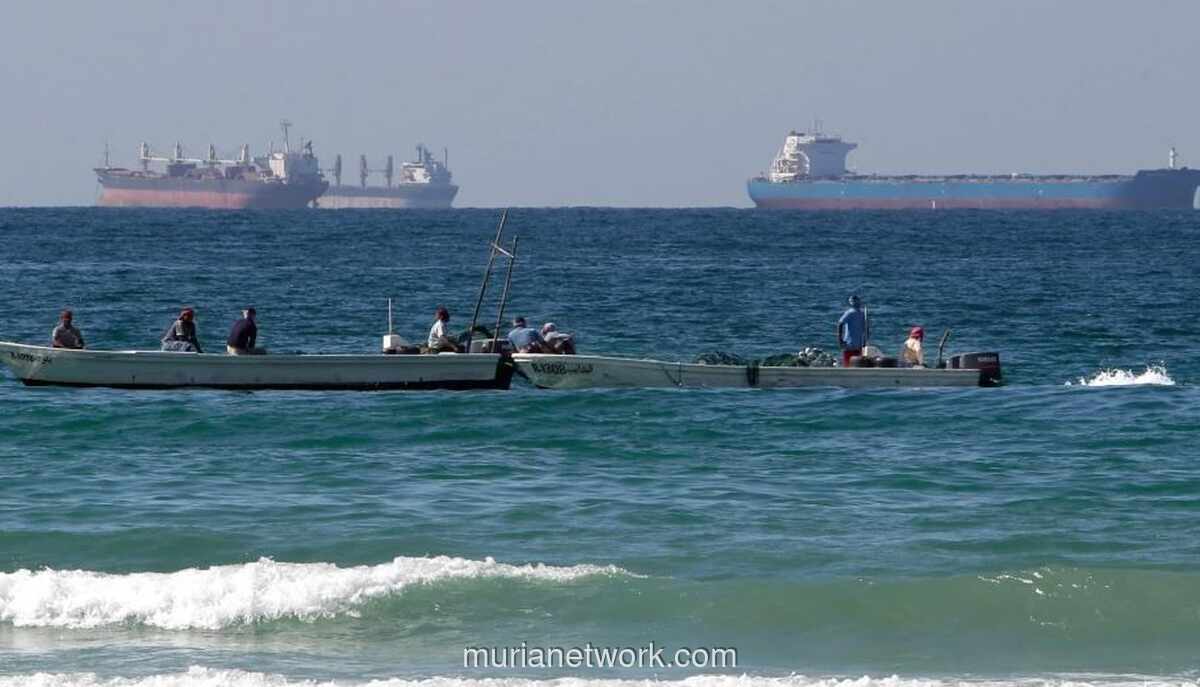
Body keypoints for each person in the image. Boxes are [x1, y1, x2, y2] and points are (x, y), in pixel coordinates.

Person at [836, 294, 868, 367]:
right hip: (857, 343)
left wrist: (840, 339)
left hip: (850, 344)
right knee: (856, 363)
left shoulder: (851, 312)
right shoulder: (862, 313)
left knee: (848, 363)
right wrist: (865, 341)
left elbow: (840, 323)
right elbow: (866, 328)